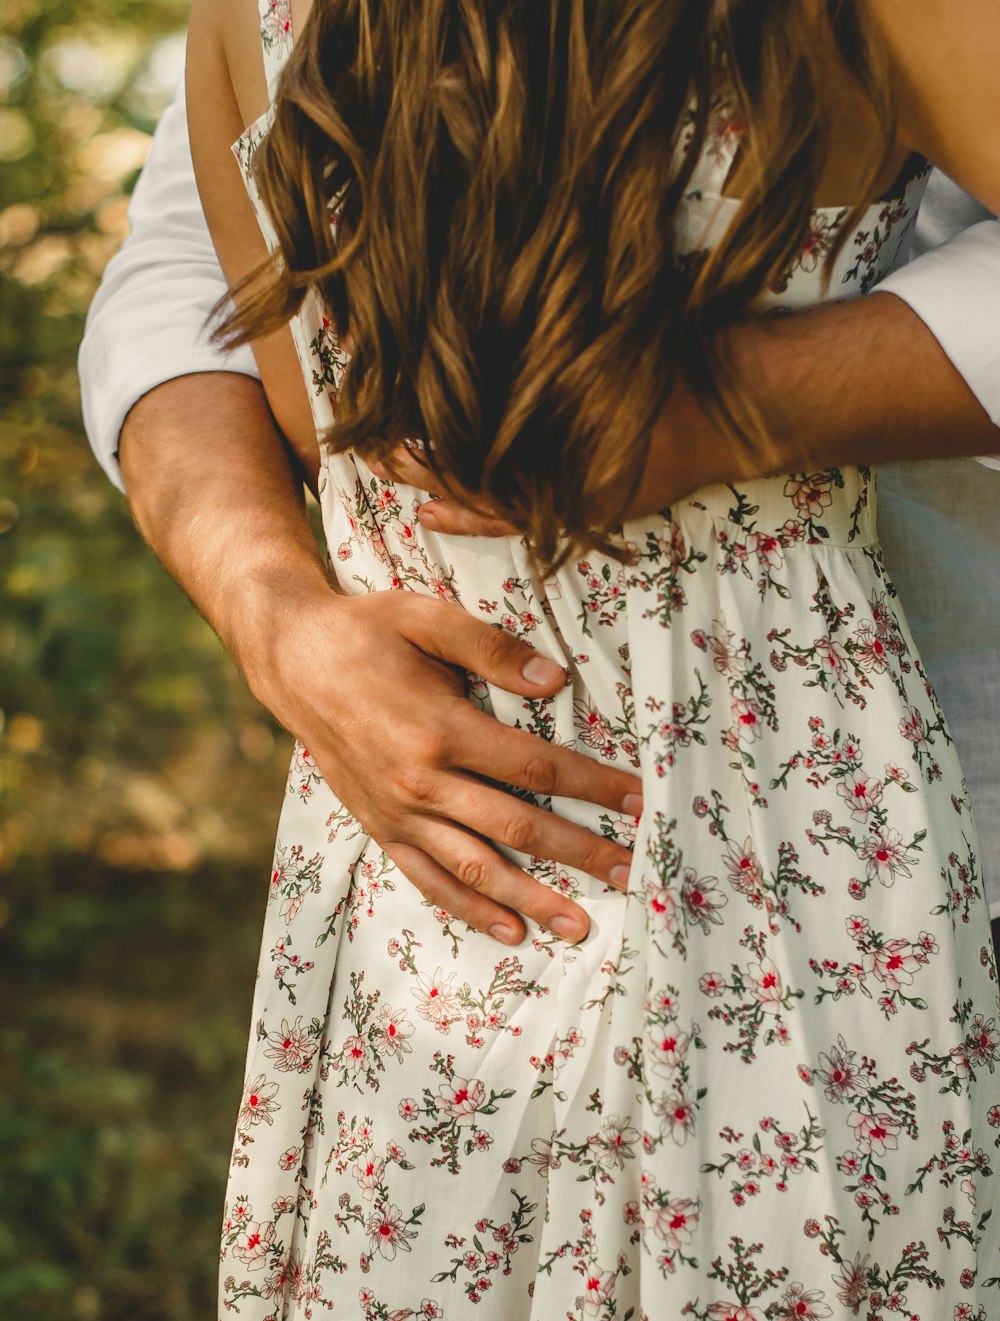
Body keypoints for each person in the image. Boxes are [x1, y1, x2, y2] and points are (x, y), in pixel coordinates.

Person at [81, 1, 1000, 1315]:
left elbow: (293, 387)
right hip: (789, 832)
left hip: (448, 883)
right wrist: (273, 611)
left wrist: (718, 401)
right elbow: (169, 298)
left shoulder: (263, 21)